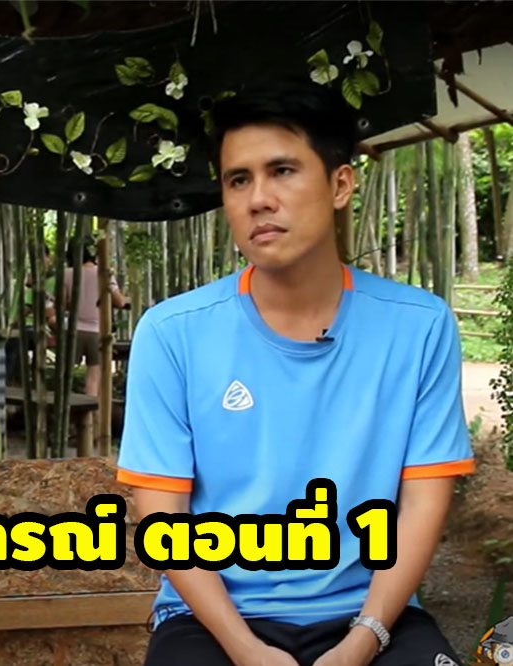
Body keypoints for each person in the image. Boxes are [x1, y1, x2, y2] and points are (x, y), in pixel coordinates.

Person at [117, 80, 474, 666]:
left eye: (282, 171)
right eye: (239, 180)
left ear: (340, 184)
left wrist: (362, 641)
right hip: (214, 619)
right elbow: (161, 514)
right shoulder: (173, 332)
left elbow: (421, 503)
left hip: (371, 612)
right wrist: (246, 650)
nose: (258, 199)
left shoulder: (419, 326)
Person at [63, 238, 129, 397]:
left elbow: (63, 304)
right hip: (96, 330)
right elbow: (120, 301)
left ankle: (66, 408)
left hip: (72, 330)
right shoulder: (104, 274)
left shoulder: (67, 274)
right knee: (93, 377)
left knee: (65, 376)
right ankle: (90, 412)